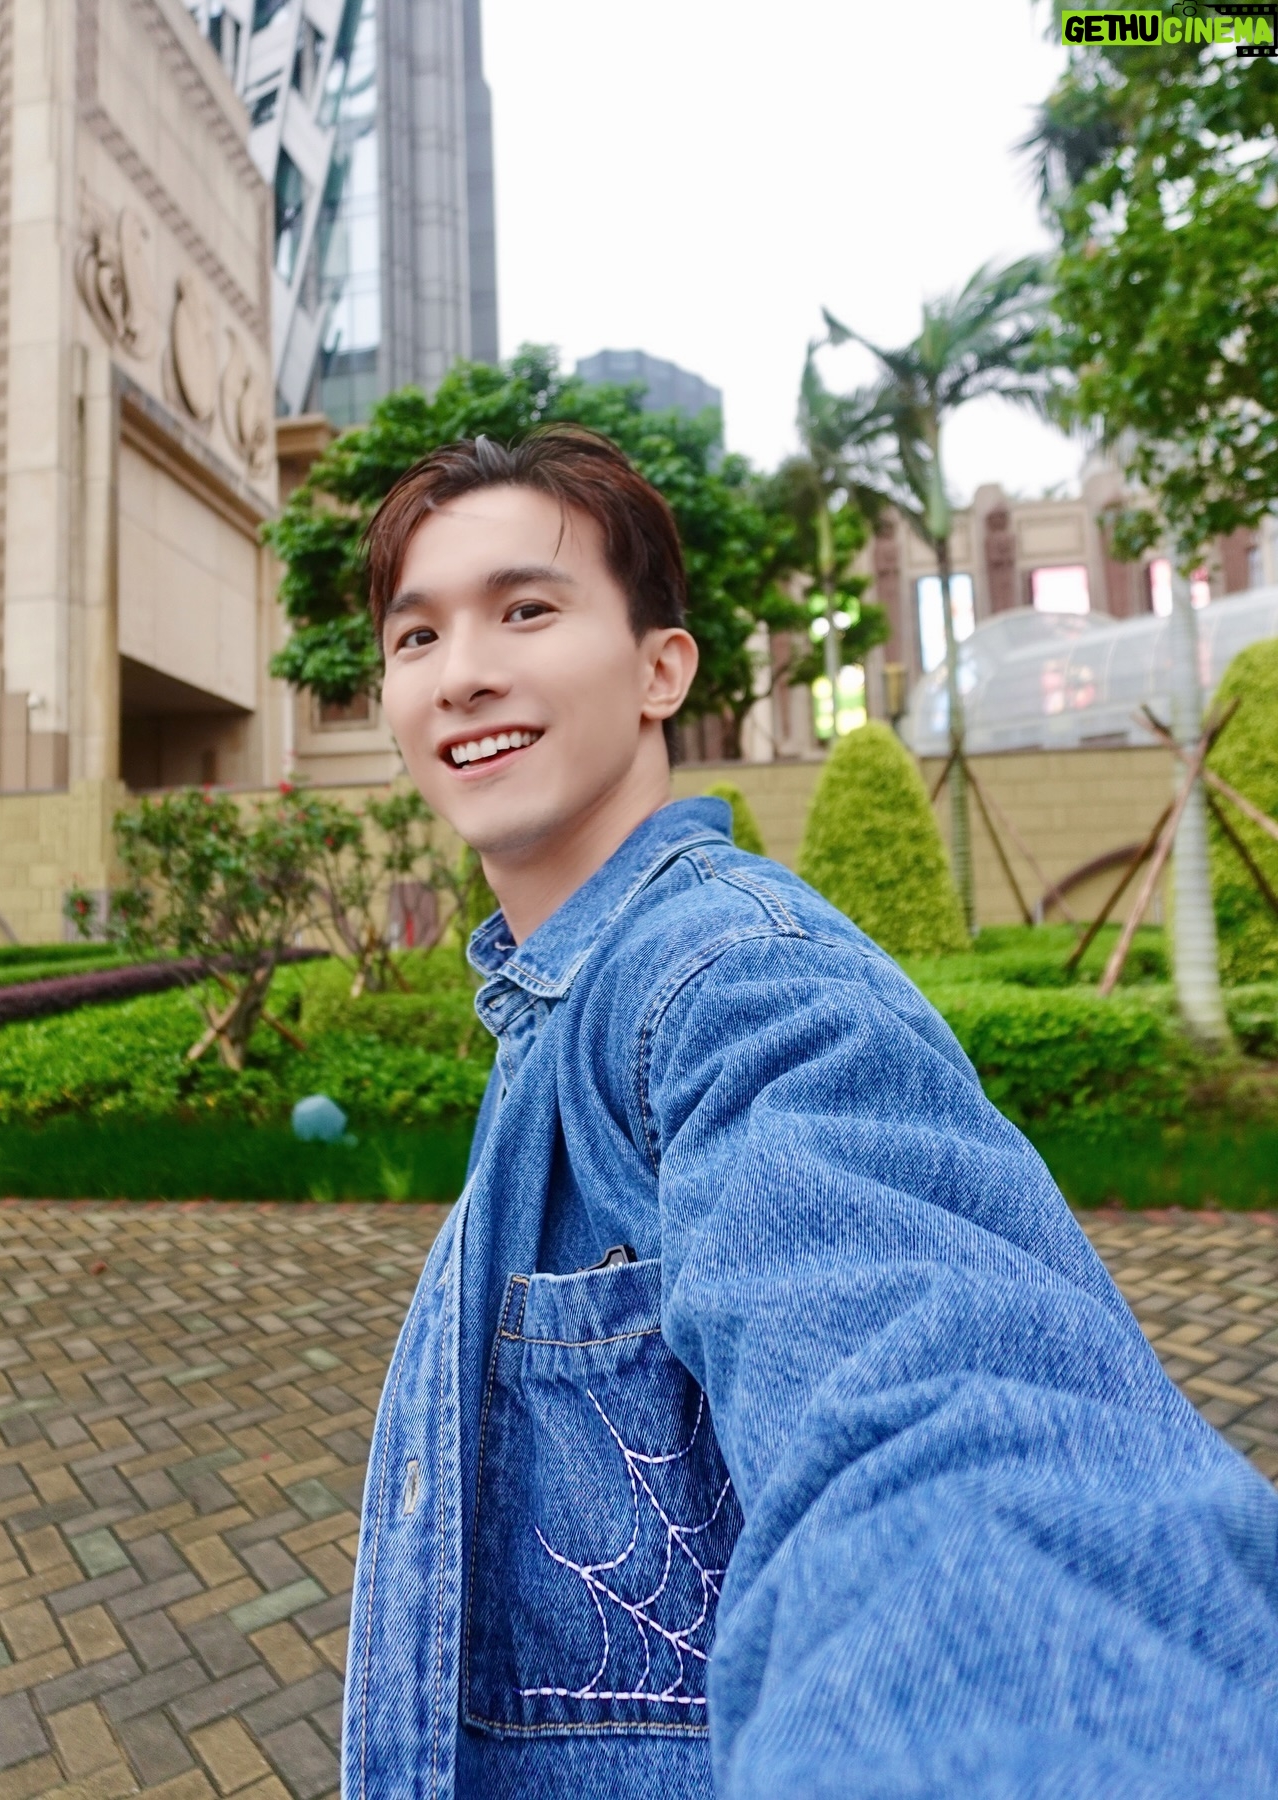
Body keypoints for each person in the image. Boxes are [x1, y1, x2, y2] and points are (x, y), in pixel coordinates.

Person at [341, 427, 1278, 1800]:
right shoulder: (560, 999)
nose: (461, 670)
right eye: (416, 636)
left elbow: (937, 1413)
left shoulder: (730, 981)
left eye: (526, 610)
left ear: (662, 670)